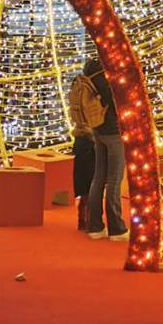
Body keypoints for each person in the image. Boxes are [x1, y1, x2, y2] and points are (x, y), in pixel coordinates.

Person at [82, 61, 127, 240]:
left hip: (97, 130)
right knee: (114, 180)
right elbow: (116, 104)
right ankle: (116, 229)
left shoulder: (89, 71)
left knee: (98, 177)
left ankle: (94, 226)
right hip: (113, 132)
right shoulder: (107, 75)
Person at [67, 58, 103, 231]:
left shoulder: (77, 85)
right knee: (94, 179)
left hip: (79, 137)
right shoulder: (92, 88)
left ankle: (82, 217)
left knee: (82, 179)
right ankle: (89, 218)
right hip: (91, 138)